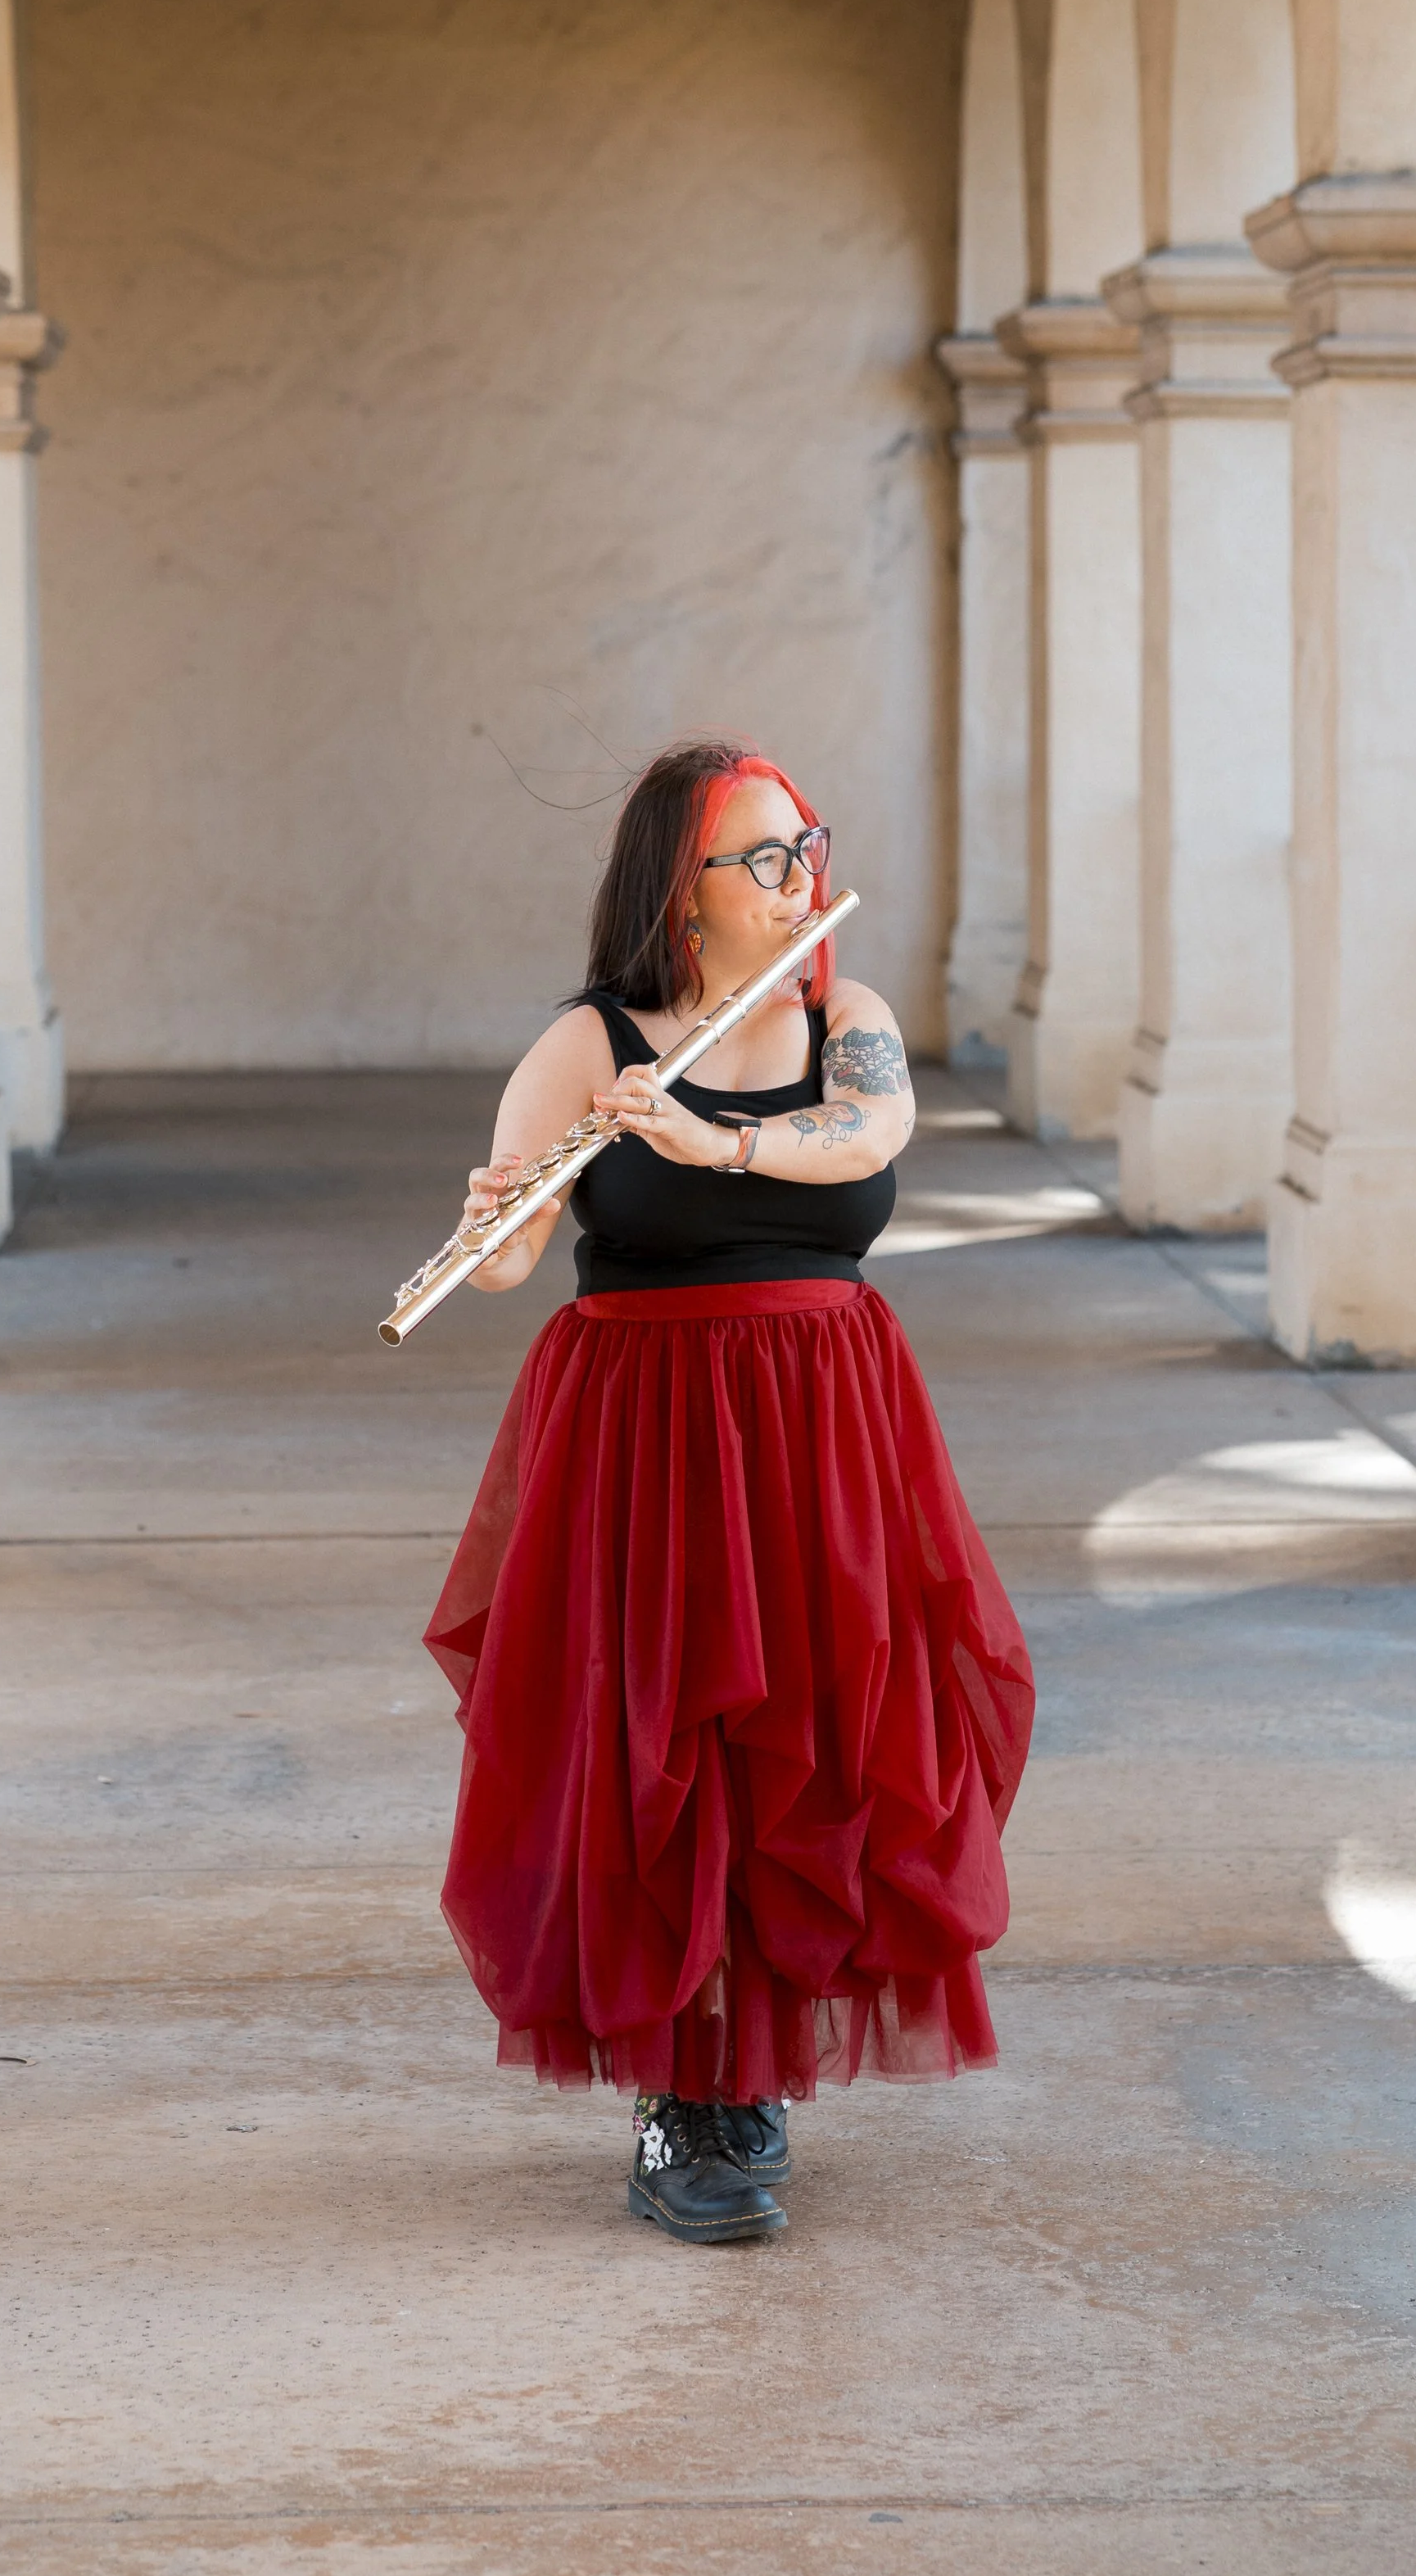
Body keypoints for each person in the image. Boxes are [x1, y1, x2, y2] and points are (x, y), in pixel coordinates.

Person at [423, 740, 1034, 2244]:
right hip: (646, 1427)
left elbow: (872, 1137)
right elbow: (511, 1261)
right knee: (661, 1748)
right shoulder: (590, 1043)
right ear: (679, 895)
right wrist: (492, 1226)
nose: (797, 874)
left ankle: (752, 2073)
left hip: (827, 1421)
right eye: (761, 857)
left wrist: (719, 1140)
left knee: (816, 1741)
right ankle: (685, 2091)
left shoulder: (852, 1019)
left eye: (803, 845)